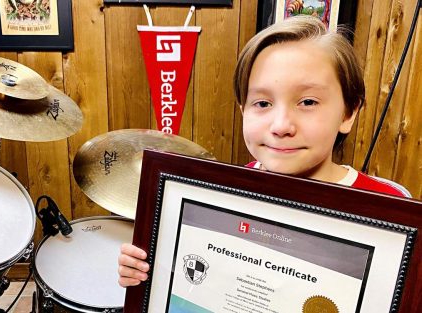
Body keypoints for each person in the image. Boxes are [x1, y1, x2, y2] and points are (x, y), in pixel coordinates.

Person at [117, 15, 411, 288]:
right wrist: (150, 272)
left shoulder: (391, 209)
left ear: (348, 113)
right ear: (243, 111)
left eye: (308, 102)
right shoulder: (220, 195)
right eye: (263, 104)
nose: (281, 126)